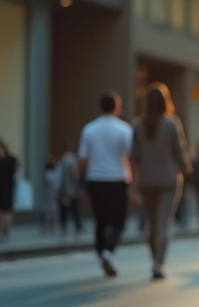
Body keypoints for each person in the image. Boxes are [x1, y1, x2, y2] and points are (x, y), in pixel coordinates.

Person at [130, 83, 191, 280]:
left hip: (146, 180)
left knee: (152, 223)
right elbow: (180, 152)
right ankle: (158, 263)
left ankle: (154, 258)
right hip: (169, 180)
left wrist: (133, 185)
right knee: (163, 222)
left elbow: (134, 157)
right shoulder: (171, 124)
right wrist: (186, 167)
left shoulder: (138, 126)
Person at [79, 91, 135, 277]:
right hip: (118, 179)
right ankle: (108, 251)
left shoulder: (89, 129)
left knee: (100, 220)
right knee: (119, 220)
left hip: (95, 179)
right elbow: (131, 157)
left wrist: (82, 181)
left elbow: (82, 159)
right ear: (117, 107)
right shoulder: (124, 130)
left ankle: (101, 252)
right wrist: (133, 183)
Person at [0, 139, 19, 241]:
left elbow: (16, 170)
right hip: (0, 187)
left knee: (7, 209)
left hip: (7, 187)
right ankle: (2, 230)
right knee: (0, 209)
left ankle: (6, 230)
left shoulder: (10, 160)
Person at [57, 139, 85, 236]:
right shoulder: (73, 160)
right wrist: (79, 186)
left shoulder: (61, 160)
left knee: (65, 210)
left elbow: (59, 177)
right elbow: (75, 175)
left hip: (64, 189)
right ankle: (78, 227)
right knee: (75, 209)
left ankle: (63, 227)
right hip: (72, 189)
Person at [42, 155, 61, 234]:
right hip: (50, 192)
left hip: (53, 192)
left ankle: (53, 224)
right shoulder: (48, 172)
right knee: (50, 209)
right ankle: (49, 224)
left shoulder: (56, 170)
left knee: (53, 209)